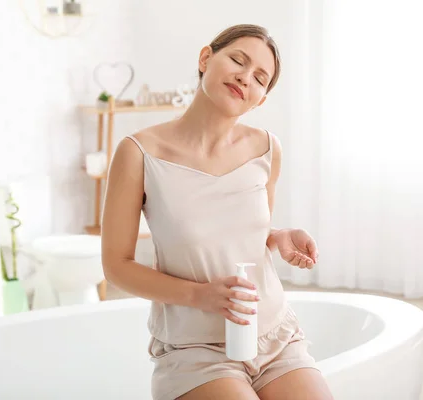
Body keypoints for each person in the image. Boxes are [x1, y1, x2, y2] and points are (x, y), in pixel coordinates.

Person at [101, 24, 334, 400]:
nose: (246, 77)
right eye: (238, 61)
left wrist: (277, 236)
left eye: (261, 78)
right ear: (206, 58)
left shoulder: (267, 148)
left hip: (273, 333)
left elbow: (242, 234)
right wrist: (199, 296)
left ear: (260, 99)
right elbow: (116, 266)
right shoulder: (139, 153)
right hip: (194, 347)